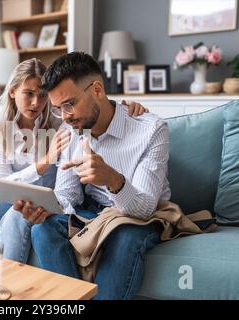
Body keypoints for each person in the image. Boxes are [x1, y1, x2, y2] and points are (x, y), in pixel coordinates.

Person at [13, 52, 171, 299]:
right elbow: (68, 195)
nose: (65, 116)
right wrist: (47, 208)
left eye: (69, 104)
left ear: (97, 90)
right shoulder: (71, 131)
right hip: (94, 212)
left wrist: (112, 180)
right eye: (57, 109)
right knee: (42, 229)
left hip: (139, 217)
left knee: (125, 237)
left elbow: (145, 208)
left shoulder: (151, 130)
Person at [0, 58, 148, 263]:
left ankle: (4, 280)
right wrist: (44, 162)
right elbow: (3, 186)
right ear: (13, 91)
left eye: (42, 96)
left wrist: (125, 106)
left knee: (15, 217)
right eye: (29, 94)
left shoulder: (60, 120)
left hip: (51, 196)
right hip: (12, 193)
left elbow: (92, 107)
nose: (36, 103)